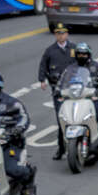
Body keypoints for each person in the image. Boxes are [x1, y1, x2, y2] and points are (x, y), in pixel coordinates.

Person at [58, 42, 98, 149]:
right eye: (79, 54)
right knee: (64, 117)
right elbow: (61, 81)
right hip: (75, 98)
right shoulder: (70, 68)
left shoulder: (97, 66)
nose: (81, 56)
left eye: (84, 54)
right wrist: (57, 90)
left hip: (95, 98)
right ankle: (61, 147)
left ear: (89, 54)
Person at [38, 24, 77, 159]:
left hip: (73, 88)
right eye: (58, 33)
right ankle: (61, 148)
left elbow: (82, 63)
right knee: (62, 118)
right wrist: (42, 80)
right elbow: (43, 65)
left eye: (63, 33)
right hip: (58, 89)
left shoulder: (73, 48)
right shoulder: (50, 51)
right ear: (55, 35)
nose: (61, 36)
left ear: (67, 34)